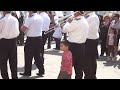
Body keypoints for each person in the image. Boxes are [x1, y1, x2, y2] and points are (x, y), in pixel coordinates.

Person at [63, 11, 89, 79]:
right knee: (79, 69)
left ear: (77, 12)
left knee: (67, 67)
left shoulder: (76, 21)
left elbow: (64, 30)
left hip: (73, 47)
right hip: (82, 46)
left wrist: (68, 22)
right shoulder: (85, 20)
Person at [20, 11, 44, 77]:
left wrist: (22, 26)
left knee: (28, 56)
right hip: (39, 38)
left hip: (31, 39)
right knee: (38, 56)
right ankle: (41, 70)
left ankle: (27, 72)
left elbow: (23, 29)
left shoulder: (30, 19)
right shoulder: (40, 17)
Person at [0, 11, 19, 79]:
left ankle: (5, 77)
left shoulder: (2, 20)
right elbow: (17, 31)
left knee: (3, 62)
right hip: (13, 41)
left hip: (3, 42)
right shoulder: (15, 19)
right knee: (13, 61)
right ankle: (14, 77)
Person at [84, 11, 100, 79]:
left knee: (89, 60)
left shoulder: (93, 17)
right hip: (88, 40)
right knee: (89, 59)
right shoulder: (89, 16)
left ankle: (90, 76)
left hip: (90, 40)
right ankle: (90, 75)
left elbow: (91, 29)